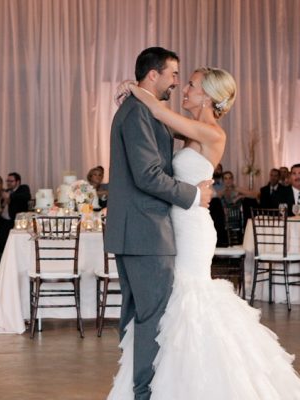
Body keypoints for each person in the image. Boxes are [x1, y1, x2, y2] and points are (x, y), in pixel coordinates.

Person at [109, 64, 300, 398]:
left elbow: (156, 108)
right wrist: (137, 90)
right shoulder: (192, 130)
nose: (184, 89)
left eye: (192, 85)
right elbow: (158, 120)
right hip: (174, 224)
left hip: (192, 228)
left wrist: (136, 88)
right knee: (174, 303)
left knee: (188, 298)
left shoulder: (212, 133)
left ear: (210, 95)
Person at [104, 47, 213, 400]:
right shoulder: (137, 112)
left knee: (144, 317)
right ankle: (143, 394)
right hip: (145, 231)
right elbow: (148, 176)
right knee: (151, 319)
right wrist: (194, 196)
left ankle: (142, 389)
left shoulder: (145, 110)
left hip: (143, 230)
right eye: (174, 74)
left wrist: (135, 90)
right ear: (154, 75)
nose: (177, 82)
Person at [0, 172, 31, 254]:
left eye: (11, 181)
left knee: (4, 233)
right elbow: (2, 205)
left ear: (17, 182)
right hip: (3, 219)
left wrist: (10, 196)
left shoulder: (23, 188)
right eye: (7, 181)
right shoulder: (6, 191)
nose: (8, 183)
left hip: (15, 219)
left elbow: (26, 196)